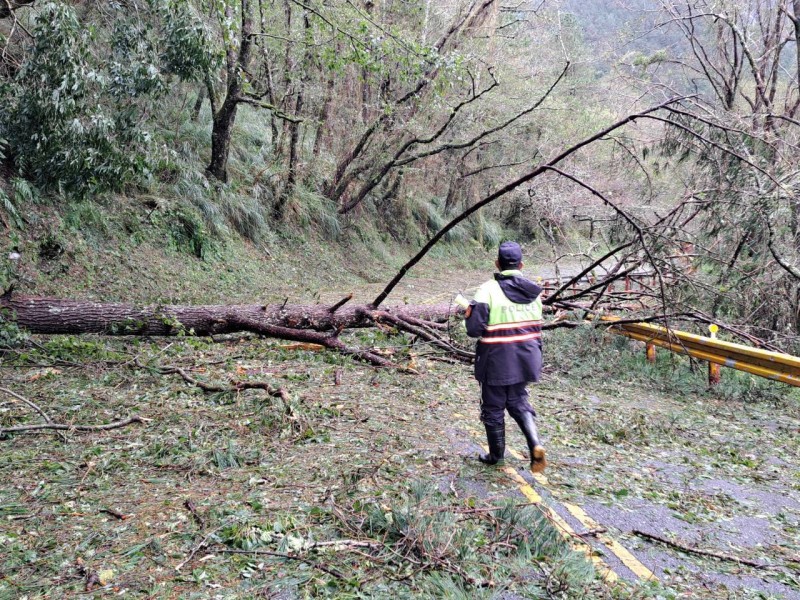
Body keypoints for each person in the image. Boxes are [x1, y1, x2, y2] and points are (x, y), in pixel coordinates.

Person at [464, 241, 546, 473]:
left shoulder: (487, 290)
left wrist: (467, 316)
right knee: (518, 400)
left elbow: (474, 330)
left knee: (492, 407)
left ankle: (496, 457)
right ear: (521, 264)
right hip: (527, 358)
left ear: (497, 264)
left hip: (497, 359)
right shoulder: (534, 293)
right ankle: (535, 444)